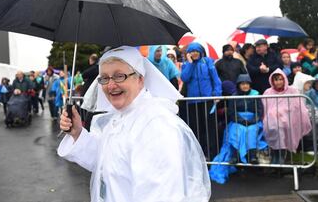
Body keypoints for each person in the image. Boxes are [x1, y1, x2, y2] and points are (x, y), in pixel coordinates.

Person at [58, 46, 211, 202]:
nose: (110, 85)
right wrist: (77, 133)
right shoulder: (120, 117)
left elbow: (161, 196)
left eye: (119, 76)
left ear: (140, 79)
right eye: (104, 78)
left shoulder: (155, 126)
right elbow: (107, 162)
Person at [209, 74, 267, 184]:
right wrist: (240, 120)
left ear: (250, 85)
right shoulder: (234, 96)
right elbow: (231, 112)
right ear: (239, 85)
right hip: (238, 121)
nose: (245, 86)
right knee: (236, 130)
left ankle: (252, 155)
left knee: (251, 130)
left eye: (247, 84)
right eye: (242, 84)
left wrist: (252, 120)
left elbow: (259, 111)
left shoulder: (256, 95)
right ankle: (235, 156)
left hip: (253, 121)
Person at [180, 42, 222, 159]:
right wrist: (190, 64)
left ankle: (211, 154)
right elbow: (184, 78)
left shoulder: (208, 61)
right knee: (196, 129)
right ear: (189, 54)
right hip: (193, 102)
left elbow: (215, 79)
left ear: (201, 52)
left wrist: (217, 93)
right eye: (192, 51)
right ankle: (198, 154)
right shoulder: (186, 64)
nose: (194, 53)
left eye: (196, 51)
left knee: (209, 128)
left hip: (207, 101)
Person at [262, 69, 312, 164]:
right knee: (274, 127)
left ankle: (281, 156)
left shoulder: (292, 90)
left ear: (284, 79)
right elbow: (265, 108)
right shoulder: (268, 92)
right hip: (272, 122)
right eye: (276, 79)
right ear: (272, 81)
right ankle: (275, 156)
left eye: (281, 79)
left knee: (281, 127)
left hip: (288, 119)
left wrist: (283, 112)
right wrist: (273, 114)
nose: (279, 82)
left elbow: (297, 106)